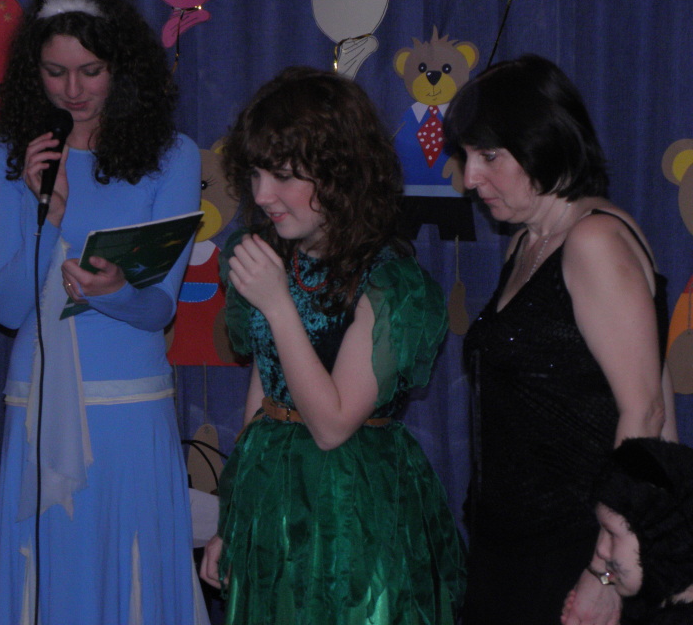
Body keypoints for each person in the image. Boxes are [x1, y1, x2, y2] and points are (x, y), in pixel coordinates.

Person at [199, 67, 467, 624]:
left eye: (283, 176)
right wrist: (233, 520)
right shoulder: (271, 257)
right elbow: (265, 390)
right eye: (255, 174)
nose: (262, 196)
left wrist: (279, 305)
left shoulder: (391, 284)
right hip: (272, 502)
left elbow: (332, 425)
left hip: (351, 509)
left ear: (340, 174)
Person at [0, 0, 205, 624]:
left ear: (122, 69)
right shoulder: (7, 158)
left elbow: (159, 310)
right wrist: (46, 214)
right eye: (55, 72)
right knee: (52, 570)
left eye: (91, 71)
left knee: (132, 571)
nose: (72, 90)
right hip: (38, 401)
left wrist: (116, 291)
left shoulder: (172, 157)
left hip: (130, 404)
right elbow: (6, 308)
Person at [443, 54, 677, 625]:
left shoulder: (594, 241)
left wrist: (606, 571)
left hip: (575, 555)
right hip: (513, 552)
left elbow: (647, 413)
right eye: (467, 157)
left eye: (489, 156)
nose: (470, 178)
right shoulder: (529, 241)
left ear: (542, 144)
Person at [585, 437, 693, 625]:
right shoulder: (651, 592)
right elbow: (612, 577)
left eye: (612, 534)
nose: (601, 550)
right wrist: (600, 578)